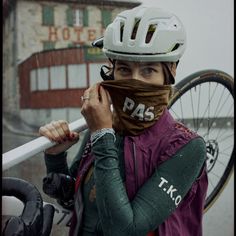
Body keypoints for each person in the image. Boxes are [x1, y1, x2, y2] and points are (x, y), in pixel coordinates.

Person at [39, 6, 208, 236]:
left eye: (148, 70)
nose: (135, 81)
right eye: (125, 69)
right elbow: (73, 201)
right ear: (112, 72)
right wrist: (56, 156)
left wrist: (102, 135)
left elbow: (125, 229)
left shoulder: (188, 148)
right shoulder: (106, 126)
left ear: (171, 70)